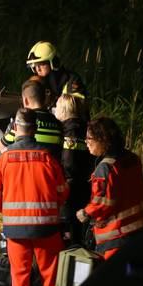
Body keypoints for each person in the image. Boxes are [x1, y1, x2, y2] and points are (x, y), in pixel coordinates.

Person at [0, 108, 69, 286]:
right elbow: (63, 192)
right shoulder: (48, 157)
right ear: (35, 129)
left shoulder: (4, 159)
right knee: (50, 275)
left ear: (15, 127)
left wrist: (5, 210)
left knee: (19, 275)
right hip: (47, 227)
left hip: (15, 230)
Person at [76, 116, 143, 260]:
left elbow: (102, 203)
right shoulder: (132, 158)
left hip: (118, 237)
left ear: (102, 139)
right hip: (141, 231)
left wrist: (85, 213)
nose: (86, 142)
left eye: (89, 138)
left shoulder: (105, 168)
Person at [55, 93, 95, 246]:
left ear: (64, 110)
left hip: (71, 190)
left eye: (57, 107)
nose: (55, 111)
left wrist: (62, 180)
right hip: (85, 187)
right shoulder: (85, 127)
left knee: (70, 236)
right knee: (79, 232)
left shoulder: (71, 131)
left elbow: (70, 162)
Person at [0, 80, 63, 160]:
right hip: (48, 170)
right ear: (44, 99)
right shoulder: (58, 124)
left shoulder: (21, 123)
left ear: (25, 101)